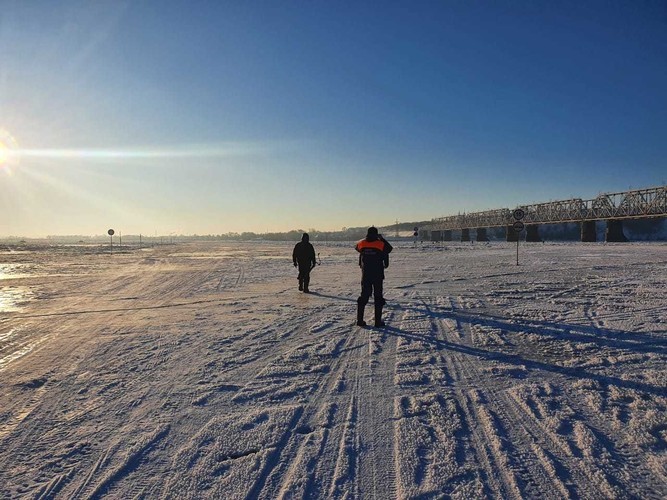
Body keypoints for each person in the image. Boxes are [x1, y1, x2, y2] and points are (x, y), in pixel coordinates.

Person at [355, 226, 393, 327]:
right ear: (376, 234)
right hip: (377, 274)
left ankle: (359, 320)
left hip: (366, 274)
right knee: (378, 297)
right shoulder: (380, 243)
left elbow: (356, 247)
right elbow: (389, 248)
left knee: (364, 296)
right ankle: (377, 322)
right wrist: (382, 239)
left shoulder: (362, 243)